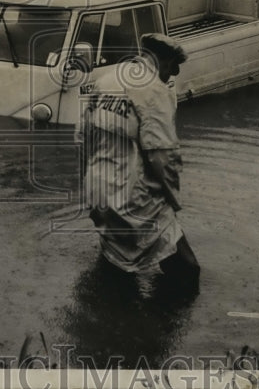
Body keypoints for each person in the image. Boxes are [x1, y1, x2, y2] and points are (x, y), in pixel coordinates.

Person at [76, 33, 200, 290]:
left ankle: (107, 313)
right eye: (172, 69)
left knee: (117, 261)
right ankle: (158, 322)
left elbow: (82, 138)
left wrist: (86, 186)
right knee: (188, 270)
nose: (171, 76)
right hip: (135, 197)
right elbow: (162, 156)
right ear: (164, 62)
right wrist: (174, 202)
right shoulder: (154, 90)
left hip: (99, 190)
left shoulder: (107, 79)